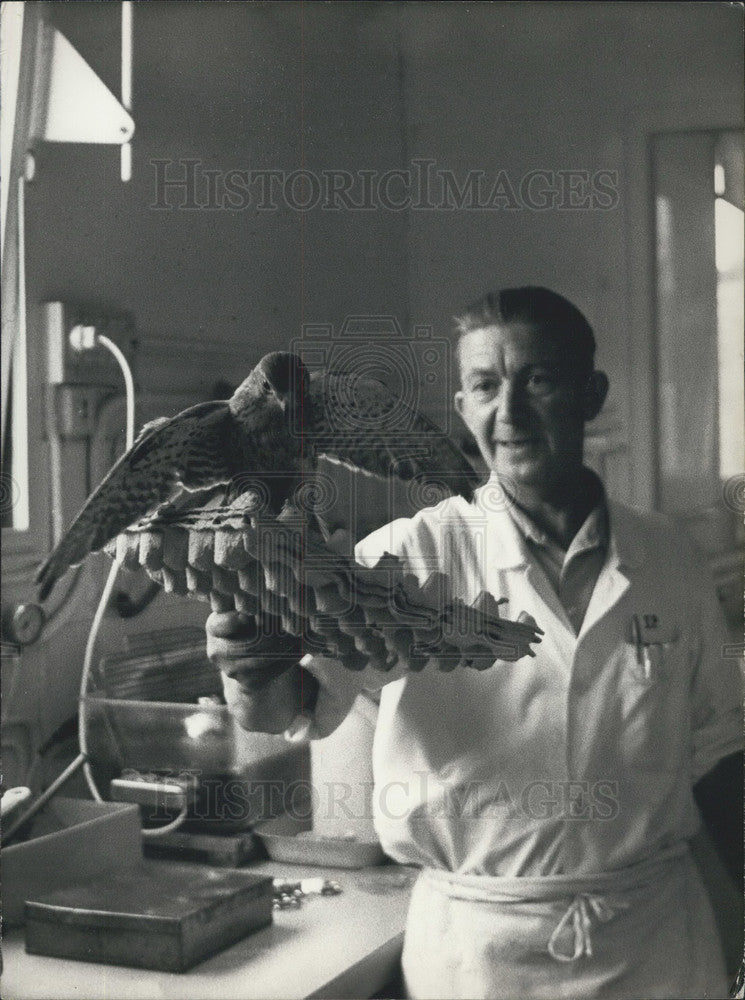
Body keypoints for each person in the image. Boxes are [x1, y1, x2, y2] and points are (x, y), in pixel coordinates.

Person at [206, 287, 743, 999]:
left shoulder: (668, 558)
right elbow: (291, 708)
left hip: (652, 949)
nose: (510, 413)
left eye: (538, 381)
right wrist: (248, 653)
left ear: (590, 395)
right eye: (485, 386)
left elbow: (717, 752)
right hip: (477, 960)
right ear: (463, 410)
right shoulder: (410, 559)